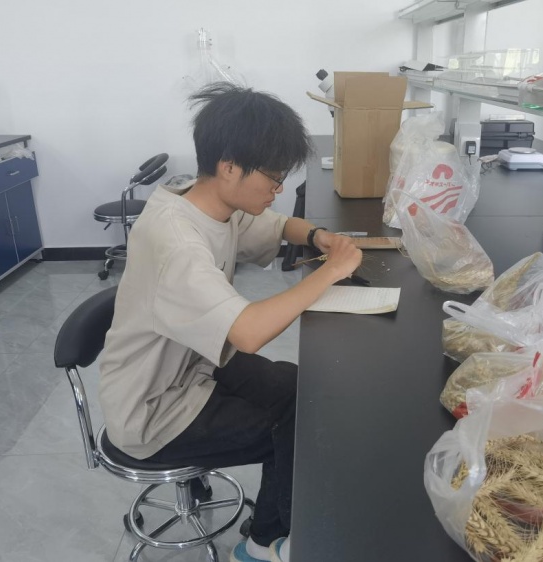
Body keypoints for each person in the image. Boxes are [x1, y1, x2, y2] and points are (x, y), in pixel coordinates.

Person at [99, 81, 362, 562]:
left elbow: (276, 226)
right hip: (154, 410)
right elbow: (249, 331)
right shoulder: (176, 242)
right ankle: (265, 545)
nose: (278, 191)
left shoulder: (210, 202)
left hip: (193, 364)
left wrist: (318, 237)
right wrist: (332, 271)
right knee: (301, 424)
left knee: (301, 388)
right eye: (274, 179)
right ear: (229, 167)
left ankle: (270, 525)